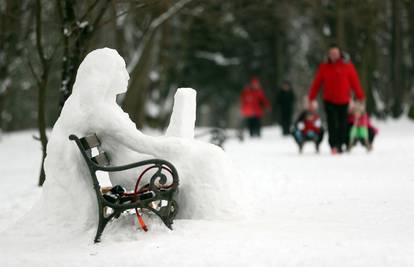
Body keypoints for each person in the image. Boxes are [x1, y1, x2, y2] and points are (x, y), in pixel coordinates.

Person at [308, 44, 365, 154]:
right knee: (332, 122)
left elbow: (355, 83)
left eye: (336, 53)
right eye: (332, 53)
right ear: (329, 55)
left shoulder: (348, 66)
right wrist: (311, 98)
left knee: (343, 123)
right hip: (329, 100)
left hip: (344, 100)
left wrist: (360, 96)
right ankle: (333, 144)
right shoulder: (324, 67)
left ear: (340, 54)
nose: (334, 55)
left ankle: (341, 144)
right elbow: (317, 83)